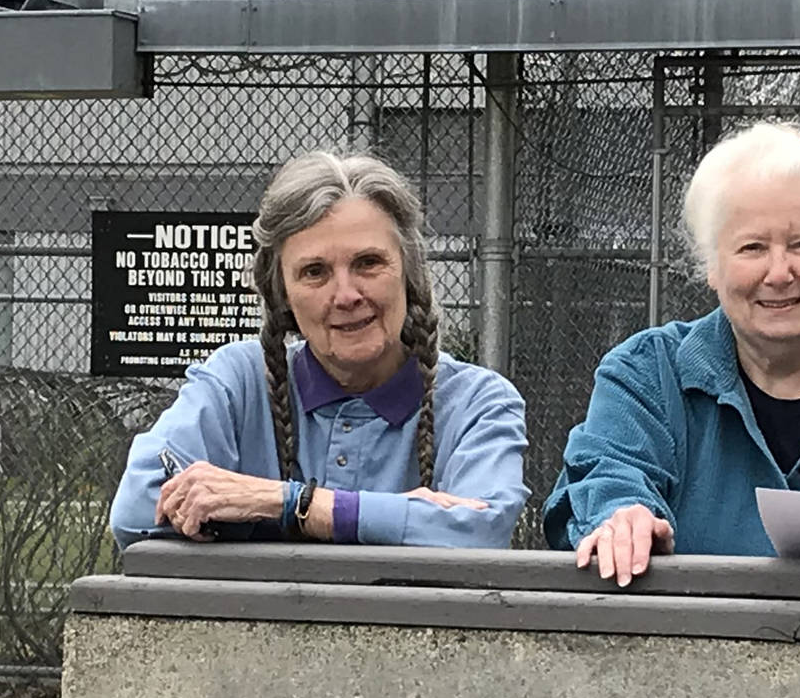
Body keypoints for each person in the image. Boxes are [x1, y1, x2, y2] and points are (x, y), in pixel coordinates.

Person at [543, 121, 800, 584]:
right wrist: (623, 516)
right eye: (752, 247)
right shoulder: (645, 375)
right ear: (712, 266)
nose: (779, 272)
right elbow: (608, 471)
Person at [109, 151, 528, 549]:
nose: (346, 295)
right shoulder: (239, 381)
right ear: (282, 294)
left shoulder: (478, 403)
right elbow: (138, 510)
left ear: (409, 272)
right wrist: (405, 520)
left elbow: (480, 533)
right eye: (315, 272)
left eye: (368, 262)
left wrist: (289, 503)